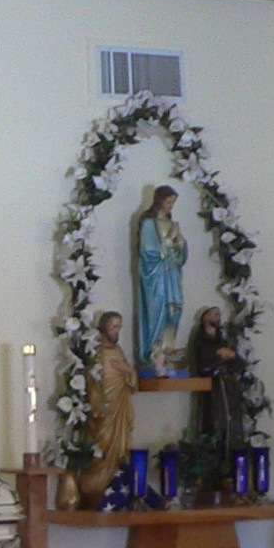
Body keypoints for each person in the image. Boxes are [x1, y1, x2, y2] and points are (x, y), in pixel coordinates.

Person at [75, 311, 135, 504]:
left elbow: (132, 385)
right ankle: (95, 489)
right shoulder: (96, 352)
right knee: (102, 446)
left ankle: (116, 487)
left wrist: (129, 371)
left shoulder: (118, 351)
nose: (117, 330)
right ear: (103, 327)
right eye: (114, 326)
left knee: (118, 450)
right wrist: (98, 405)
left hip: (120, 408)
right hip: (103, 411)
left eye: (119, 326)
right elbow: (90, 381)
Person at [134, 186, 188, 377]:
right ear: (159, 201)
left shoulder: (171, 223)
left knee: (175, 310)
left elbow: (181, 255)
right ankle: (155, 352)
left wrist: (180, 244)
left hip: (172, 275)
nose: (170, 206)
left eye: (173, 202)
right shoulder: (149, 224)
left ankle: (169, 348)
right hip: (156, 278)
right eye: (168, 202)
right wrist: (171, 239)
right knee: (158, 312)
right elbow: (148, 252)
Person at [187, 305, 249, 456]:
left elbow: (240, 365)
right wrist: (219, 356)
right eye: (214, 314)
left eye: (218, 314)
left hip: (228, 388)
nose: (218, 317)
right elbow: (201, 366)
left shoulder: (223, 341)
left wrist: (232, 356)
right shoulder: (200, 342)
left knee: (231, 426)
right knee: (213, 427)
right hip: (212, 391)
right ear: (205, 318)